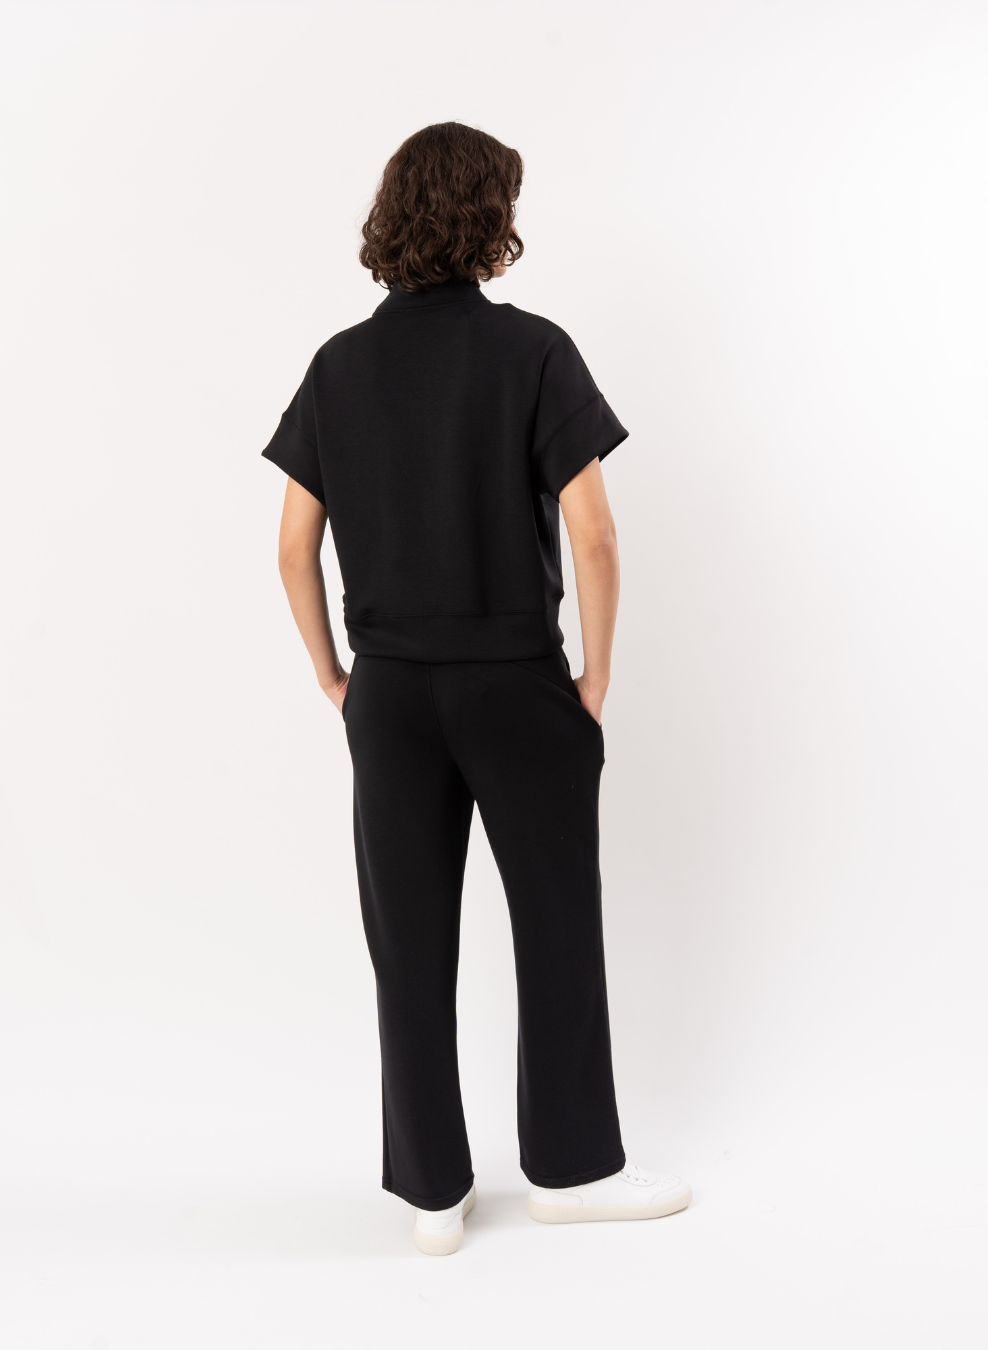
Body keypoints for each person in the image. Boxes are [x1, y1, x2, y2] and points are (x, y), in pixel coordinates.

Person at [262, 122, 690, 1255]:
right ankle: (572, 1171)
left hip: (390, 692)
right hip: (515, 684)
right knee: (557, 926)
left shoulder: (337, 367)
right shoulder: (535, 352)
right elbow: (594, 536)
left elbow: (293, 545)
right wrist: (596, 675)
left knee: (407, 941)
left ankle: (431, 1194)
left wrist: (335, 676)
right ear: (492, 220)